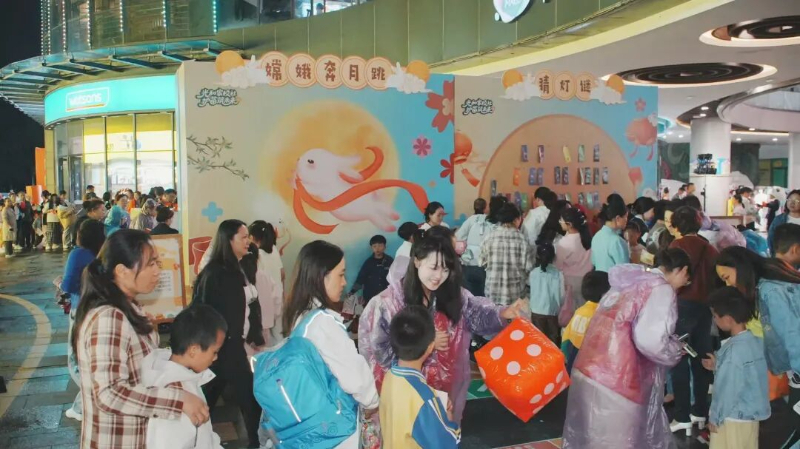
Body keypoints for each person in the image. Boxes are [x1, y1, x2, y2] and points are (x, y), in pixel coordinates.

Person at [359, 228, 527, 426]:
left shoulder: (452, 294)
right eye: (434, 267)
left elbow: (476, 314)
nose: (439, 276)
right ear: (417, 261)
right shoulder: (387, 303)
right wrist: (426, 342)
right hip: (407, 393)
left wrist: (502, 313)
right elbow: (379, 352)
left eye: (446, 270)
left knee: (442, 433)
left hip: (445, 388)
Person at [73, 230, 209, 448]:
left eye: (157, 263)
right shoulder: (109, 317)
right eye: (150, 264)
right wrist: (179, 400)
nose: (157, 271)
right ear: (121, 271)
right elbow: (109, 393)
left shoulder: (129, 307)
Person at [562, 248, 692, 449]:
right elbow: (650, 341)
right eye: (686, 279)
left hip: (590, 369)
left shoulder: (630, 281)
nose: (684, 284)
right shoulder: (660, 289)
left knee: (590, 440)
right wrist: (673, 350)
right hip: (619, 378)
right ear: (682, 270)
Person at [282, 240, 380, 448]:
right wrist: (373, 401)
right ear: (321, 276)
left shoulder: (299, 314)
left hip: (311, 421)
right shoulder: (322, 323)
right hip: (335, 430)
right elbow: (355, 378)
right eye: (340, 274)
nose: (344, 282)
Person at [714, 245, 800, 448]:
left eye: (727, 277)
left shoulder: (770, 291)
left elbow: (793, 337)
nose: (728, 284)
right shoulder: (770, 282)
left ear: (739, 267)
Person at [192, 220, 261, 448]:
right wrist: (213, 345)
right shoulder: (215, 273)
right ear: (228, 240)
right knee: (242, 397)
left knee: (214, 396)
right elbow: (203, 310)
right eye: (243, 237)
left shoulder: (239, 268)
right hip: (221, 347)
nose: (248, 241)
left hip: (231, 345)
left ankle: (254, 441)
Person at [140, 305, 226, 449]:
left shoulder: (184, 378)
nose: (215, 358)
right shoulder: (175, 390)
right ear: (193, 350)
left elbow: (205, 437)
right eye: (214, 352)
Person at [668, 206, 719, 434]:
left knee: (678, 359)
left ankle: (682, 416)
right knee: (702, 358)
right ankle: (700, 412)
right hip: (705, 308)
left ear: (677, 225)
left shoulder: (677, 246)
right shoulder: (709, 248)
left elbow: (671, 277)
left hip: (682, 307)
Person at [380, 306, 460, 448]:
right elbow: (448, 444)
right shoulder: (425, 399)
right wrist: (447, 415)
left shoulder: (390, 376)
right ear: (430, 347)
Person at [702, 287, 770, 449]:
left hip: (731, 417)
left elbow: (727, 389)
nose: (714, 320)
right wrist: (718, 366)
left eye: (715, 316)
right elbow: (746, 376)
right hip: (750, 417)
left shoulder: (733, 351)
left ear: (728, 319)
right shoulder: (756, 342)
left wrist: (715, 417)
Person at [60, 219, 105, 422]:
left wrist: (60, 284)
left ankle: (91, 398)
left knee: (76, 359)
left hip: (81, 309)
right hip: (100, 307)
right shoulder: (103, 253)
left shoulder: (77, 254)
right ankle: (81, 406)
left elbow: (68, 284)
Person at [480, 203, 533, 306]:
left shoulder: (489, 237)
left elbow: (482, 262)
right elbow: (528, 267)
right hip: (515, 294)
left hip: (492, 292)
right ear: (517, 219)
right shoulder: (523, 240)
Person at [561, 271, 610, 373]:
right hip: (588, 365)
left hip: (572, 360)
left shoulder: (580, 311)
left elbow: (566, 339)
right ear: (604, 295)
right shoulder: (601, 316)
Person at [457, 196, 503, 297]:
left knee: (470, 298)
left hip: (469, 263)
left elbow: (458, 236)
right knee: (484, 299)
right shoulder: (499, 224)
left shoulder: (472, 219)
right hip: (488, 266)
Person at [556, 207, 593, 313]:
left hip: (570, 282)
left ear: (569, 225)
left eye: (561, 220)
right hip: (587, 279)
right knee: (584, 311)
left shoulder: (564, 243)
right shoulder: (587, 237)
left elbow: (558, 265)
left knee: (570, 312)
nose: (559, 222)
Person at [528, 242, 565, 345]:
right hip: (552, 313)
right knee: (552, 344)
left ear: (537, 256)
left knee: (538, 342)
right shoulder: (558, 274)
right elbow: (562, 296)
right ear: (554, 257)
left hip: (536, 312)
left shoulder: (533, 273)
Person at [591, 194, 630, 271]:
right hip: (613, 278)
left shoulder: (596, 236)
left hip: (598, 277)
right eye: (626, 216)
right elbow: (624, 270)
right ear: (618, 218)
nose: (626, 220)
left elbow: (593, 262)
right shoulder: (617, 241)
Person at [350, 235, 394, 303]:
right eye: (374, 246)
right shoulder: (368, 262)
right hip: (370, 296)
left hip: (386, 296)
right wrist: (352, 292)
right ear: (371, 248)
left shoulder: (390, 261)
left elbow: (395, 278)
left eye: (380, 246)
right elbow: (361, 278)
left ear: (385, 247)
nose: (377, 248)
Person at [247, 220, 284, 286]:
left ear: (251, 237)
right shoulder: (274, 249)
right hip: (278, 291)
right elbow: (282, 274)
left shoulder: (256, 254)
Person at [768, 189, 800, 256]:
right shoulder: (779, 220)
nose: (792, 202)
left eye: (797, 200)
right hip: (783, 257)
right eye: (790, 199)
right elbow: (771, 239)